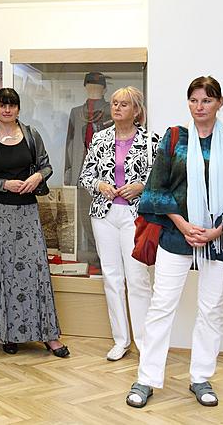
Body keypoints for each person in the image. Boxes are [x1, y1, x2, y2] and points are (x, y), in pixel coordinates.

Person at [126, 76, 223, 409]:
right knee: (162, 306)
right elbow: (157, 189)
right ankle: (146, 378)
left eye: (207, 100)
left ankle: (201, 377)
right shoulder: (174, 139)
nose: (200, 107)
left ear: (219, 104)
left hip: (220, 238)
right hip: (177, 233)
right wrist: (183, 224)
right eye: (194, 100)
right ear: (188, 103)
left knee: (211, 310)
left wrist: (217, 229)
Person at [0, 87, 68, 356]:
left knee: (34, 273)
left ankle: (49, 335)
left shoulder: (31, 135)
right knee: (1, 271)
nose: (7, 109)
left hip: (26, 211)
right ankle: (6, 333)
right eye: (2, 105)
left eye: (12, 105)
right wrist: (4, 184)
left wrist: (37, 177)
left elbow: (46, 166)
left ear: (18, 109)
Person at [78, 86, 155, 362]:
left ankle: (146, 344)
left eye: (124, 104)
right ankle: (120, 340)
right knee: (112, 278)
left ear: (136, 110)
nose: (117, 108)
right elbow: (85, 176)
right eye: (114, 103)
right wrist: (100, 184)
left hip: (136, 216)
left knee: (137, 279)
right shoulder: (99, 139)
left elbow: (160, 181)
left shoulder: (150, 141)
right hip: (104, 215)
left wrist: (141, 186)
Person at [65, 72, 113, 269]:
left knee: (106, 221)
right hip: (80, 176)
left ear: (105, 88)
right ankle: (93, 260)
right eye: (91, 85)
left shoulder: (112, 110)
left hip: (106, 180)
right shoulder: (76, 113)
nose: (94, 89)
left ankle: (107, 260)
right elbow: (69, 145)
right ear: (85, 87)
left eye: (98, 85)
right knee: (85, 220)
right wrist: (68, 176)